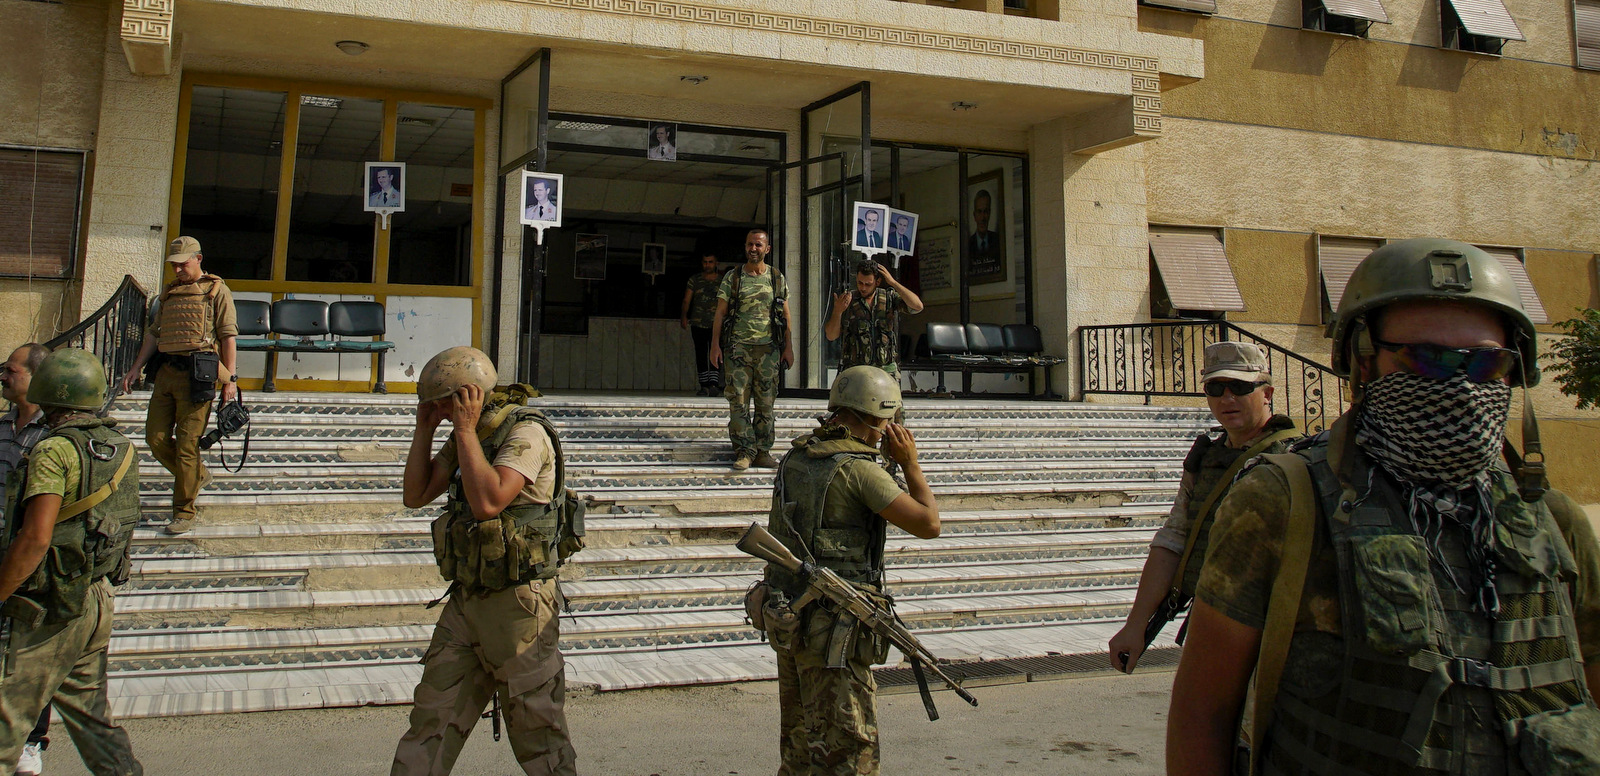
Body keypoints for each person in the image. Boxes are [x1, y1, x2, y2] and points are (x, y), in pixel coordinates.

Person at [1168, 238, 1600, 775]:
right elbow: (1204, 711)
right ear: (1362, 361)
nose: (1459, 385)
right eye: (1426, 357)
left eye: (1487, 363)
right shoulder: (1284, 501)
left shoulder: (1554, 523)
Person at [392, 347, 577, 776]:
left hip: (519, 608)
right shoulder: (469, 437)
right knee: (429, 723)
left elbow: (489, 501)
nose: (435, 409)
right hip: (468, 603)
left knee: (539, 737)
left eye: (441, 401)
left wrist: (464, 431)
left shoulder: (524, 434)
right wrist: (425, 430)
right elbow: (415, 494)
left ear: (467, 396)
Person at [760, 366, 939, 774]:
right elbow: (929, 524)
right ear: (877, 417)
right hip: (833, 632)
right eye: (888, 422)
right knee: (848, 754)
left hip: (792, 620)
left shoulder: (797, 456)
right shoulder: (860, 470)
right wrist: (910, 464)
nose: (890, 430)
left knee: (799, 750)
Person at [1105, 342, 1297, 673]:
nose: (1227, 399)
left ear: (1267, 393)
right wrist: (1135, 625)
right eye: (1215, 388)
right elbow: (1175, 539)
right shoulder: (1206, 459)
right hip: (1212, 623)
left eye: (1239, 387)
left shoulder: (1296, 460)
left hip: (1278, 631)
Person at [0, 348, 142, 775]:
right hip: (96, 595)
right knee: (91, 715)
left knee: (9, 715)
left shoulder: (54, 450)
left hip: (52, 601)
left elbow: (35, 538)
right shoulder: (118, 446)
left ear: (48, 390)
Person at [121, 236, 238, 536]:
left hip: (198, 376)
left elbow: (227, 336)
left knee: (187, 446)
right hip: (166, 373)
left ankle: (184, 511)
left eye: (183, 264)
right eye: (173, 265)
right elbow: (153, 334)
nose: (177, 271)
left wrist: (231, 381)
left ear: (198, 259)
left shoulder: (216, 290)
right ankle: (197, 476)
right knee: (155, 438)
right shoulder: (169, 293)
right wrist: (135, 368)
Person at [0, 343, 55, 776]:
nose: (3, 375)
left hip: (31, 555)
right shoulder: (1, 427)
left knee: (31, 653)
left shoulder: (54, 437)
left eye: (10, 370)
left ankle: (31, 741)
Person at [710, 229, 793, 471]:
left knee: (766, 402)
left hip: (768, 350)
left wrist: (789, 347)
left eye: (758, 245)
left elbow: (786, 315)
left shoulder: (776, 278)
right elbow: (720, 313)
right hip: (738, 349)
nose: (753, 249)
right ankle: (744, 450)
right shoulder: (733, 277)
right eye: (749, 244)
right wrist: (715, 345)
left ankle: (763, 451)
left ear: (767, 249)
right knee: (738, 401)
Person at [825, 260, 923, 379]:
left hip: (886, 370)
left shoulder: (888, 298)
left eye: (868, 284)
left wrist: (893, 283)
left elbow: (917, 306)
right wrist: (837, 311)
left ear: (877, 282)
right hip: (856, 371)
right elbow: (831, 335)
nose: (863, 288)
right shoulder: (847, 300)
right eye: (860, 283)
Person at [681, 253, 722, 396]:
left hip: (717, 324)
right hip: (698, 323)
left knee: (716, 353)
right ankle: (704, 385)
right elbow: (687, 300)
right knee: (701, 353)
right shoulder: (695, 280)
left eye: (710, 262)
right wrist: (684, 316)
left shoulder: (722, 281)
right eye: (705, 262)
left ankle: (714, 384)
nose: (707, 265)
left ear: (716, 263)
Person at [967, 190, 1000, 265]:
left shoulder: (997, 241)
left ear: (990, 213)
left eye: (985, 212)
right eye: (979, 212)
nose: (982, 218)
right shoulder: (968, 245)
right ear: (974, 215)